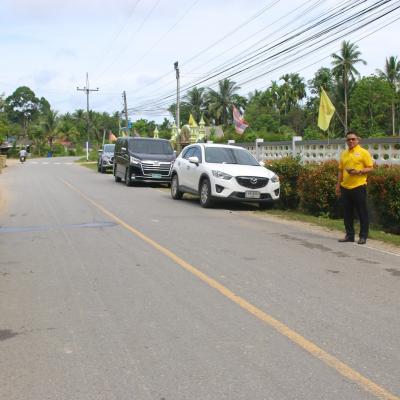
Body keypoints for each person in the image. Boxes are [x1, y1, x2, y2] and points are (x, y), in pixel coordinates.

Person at [335, 131, 374, 245]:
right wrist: (338, 185)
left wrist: (359, 171)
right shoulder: (344, 153)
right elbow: (340, 170)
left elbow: (370, 168)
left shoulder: (364, 152)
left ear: (358, 140)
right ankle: (349, 235)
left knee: (362, 213)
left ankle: (363, 236)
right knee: (347, 213)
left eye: (353, 139)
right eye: (348, 139)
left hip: (359, 186)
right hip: (345, 187)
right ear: (346, 141)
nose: (351, 141)